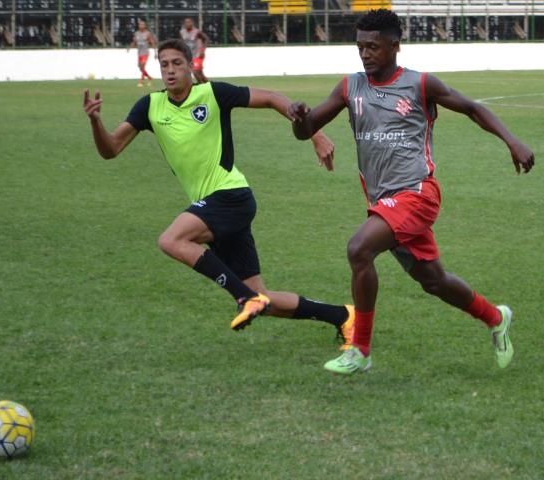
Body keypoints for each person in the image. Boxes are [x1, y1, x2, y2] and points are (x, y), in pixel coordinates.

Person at [288, 9, 535, 375]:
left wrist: (512, 141)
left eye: (374, 46)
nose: (366, 53)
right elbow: (306, 130)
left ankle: (360, 350)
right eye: (360, 47)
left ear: (395, 46)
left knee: (359, 249)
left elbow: (471, 108)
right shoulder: (349, 87)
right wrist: (299, 118)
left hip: (417, 194)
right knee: (434, 281)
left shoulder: (420, 84)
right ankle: (496, 317)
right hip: (383, 202)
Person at [84, 39, 356, 348]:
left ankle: (243, 297)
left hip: (230, 195)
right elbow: (111, 149)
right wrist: (95, 122)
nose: (170, 71)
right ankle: (343, 315)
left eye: (177, 63)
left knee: (171, 240)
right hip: (215, 206)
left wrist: (315, 134)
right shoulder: (149, 106)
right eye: (164, 65)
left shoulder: (212, 94)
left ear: (191, 66)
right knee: (264, 298)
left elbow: (271, 98)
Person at [180, 18, 209, 84]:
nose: (188, 24)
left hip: (198, 55)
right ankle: (210, 86)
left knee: (195, 71)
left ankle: (202, 87)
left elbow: (206, 39)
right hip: (189, 56)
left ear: (192, 23)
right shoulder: (182, 32)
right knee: (201, 75)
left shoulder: (197, 32)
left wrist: (203, 50)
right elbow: (182, 43)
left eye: (189, 22)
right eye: (186, 22)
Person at [128, 19, 157, 87]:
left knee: (143, 65)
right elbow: (134, 42)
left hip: (145, 53)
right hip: (139, 53)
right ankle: (149, 78)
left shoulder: (147, 33)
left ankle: (141, 81)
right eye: (140, 24)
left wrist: (155, 52)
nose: (141, 26)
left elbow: (152, 43)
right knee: (141, 68)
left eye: (142, 24)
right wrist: (129, 48)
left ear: (145, 26)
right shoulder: (136, 33)